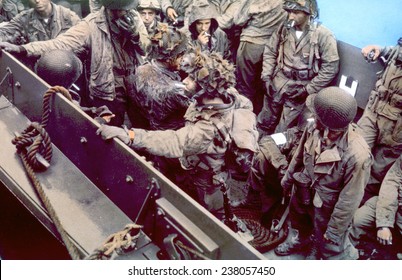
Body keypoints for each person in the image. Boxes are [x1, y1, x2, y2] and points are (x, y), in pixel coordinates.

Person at [97, 51, 258, 219]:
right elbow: (246, 104)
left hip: (207, 180)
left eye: (191, 80)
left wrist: (130, 136)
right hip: (201, 167)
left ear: (206, 89)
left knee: (210, 214)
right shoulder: (227, 93)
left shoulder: (207, 129)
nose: (184, 81)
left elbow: (174, 142)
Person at [0, 0, 150, 127]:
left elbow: (147, 49)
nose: (126, 13)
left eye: (127, 9)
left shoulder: (134, 19)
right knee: (111, 130)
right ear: (110, 9)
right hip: (108, 90)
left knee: (141, 124)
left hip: (135, 84)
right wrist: (23, 48)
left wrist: (135, 36)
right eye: (121, 10)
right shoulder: (91, 25)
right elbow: (60, 43)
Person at [274, 87, 372, 260]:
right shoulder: (313, 127)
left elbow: (350, 199)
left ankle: (319, 250)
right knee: (299, 223)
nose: (325, 135)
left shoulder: (357, 155)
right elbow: (298, 156)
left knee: (329, 245)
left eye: (333, 131)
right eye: (319, 123)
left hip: (327, 207)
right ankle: (301, 241)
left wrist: (334, 230)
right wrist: (288, 180)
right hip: (303, 190)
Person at [257, 0, 339, 137]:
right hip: (278, 81)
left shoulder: (323, 35)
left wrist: (308, 89)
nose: (290, 16)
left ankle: (273, 154)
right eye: (289, 12)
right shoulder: (284, 29)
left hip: (300, 87)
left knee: (283, 131)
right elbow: (270, 51)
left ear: (309, 13)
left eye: (296, 12)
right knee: (264, 120)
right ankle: (254, 151)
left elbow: (330, 67)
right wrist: (266, 76)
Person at [357, 38, 402, 205]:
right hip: (374, 111)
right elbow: (394, 52)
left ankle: (356, 215)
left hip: (395, 127)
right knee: (356, 155)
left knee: (376, 173)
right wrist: (379, 49)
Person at [232, 0, 286, 114]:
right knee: (263, 87)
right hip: (273, 48)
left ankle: (244, 118)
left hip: (251, 44)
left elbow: (238, 20)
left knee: (245, 87)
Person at [350, 155, 402, 259]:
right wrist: (384, 224)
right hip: (394, 202)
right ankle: (349, 254)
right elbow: (391, 183)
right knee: (358, 219)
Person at [0, 0, 80, 45]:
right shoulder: (24, 18)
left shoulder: (68, 16)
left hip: (64, 66)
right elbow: (5, 33)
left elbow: (83, 41)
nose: (37, 1)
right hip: (37, 67)